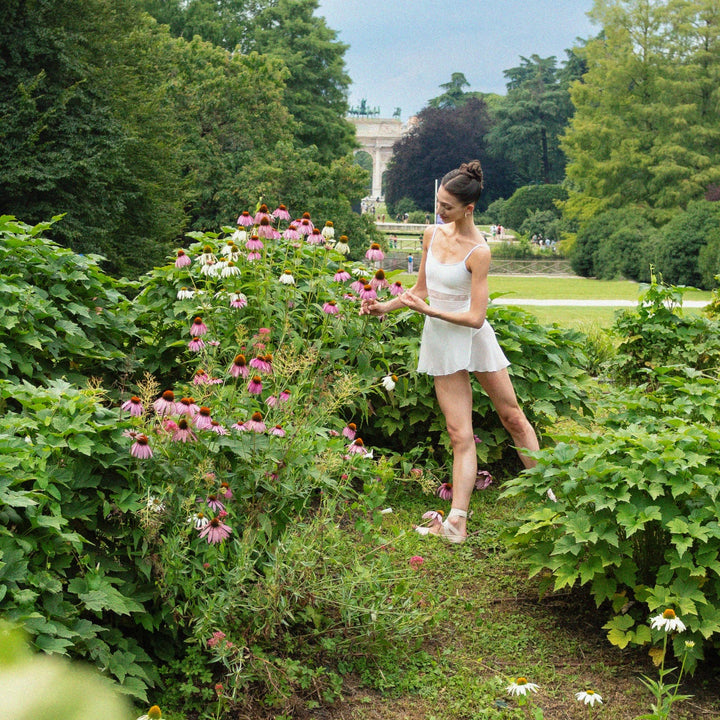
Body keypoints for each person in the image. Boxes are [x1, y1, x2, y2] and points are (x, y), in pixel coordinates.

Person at [360, 160, 539, 543]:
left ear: (468, 209)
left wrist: (430, 312)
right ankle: (457, 523)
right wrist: (384, 308)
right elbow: (420, 290)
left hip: (471, 336)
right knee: (460, 433)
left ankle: (553, 498)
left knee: (513, 418)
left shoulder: (479, 252)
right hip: (441, 339)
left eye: (447, 207)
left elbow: (476, 318)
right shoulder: (431, 235)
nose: (439, 212)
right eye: (438, 203)